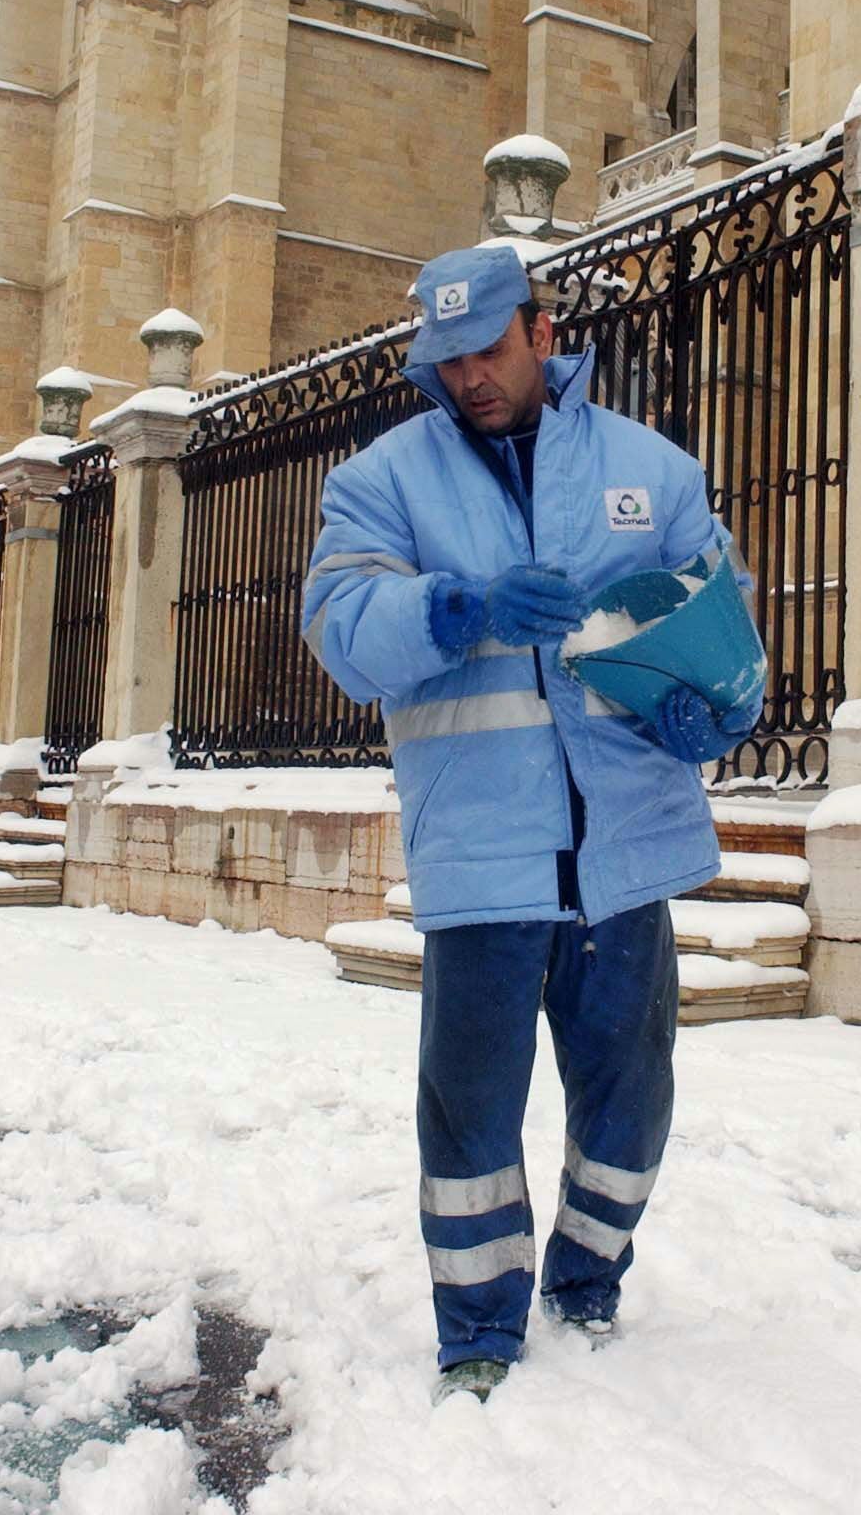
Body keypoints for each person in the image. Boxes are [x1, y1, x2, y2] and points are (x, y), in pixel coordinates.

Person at [302, 243, 763, 1402]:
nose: (467, 378)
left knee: (631, 1090)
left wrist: (714, 701)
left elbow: (721, 611)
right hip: (485, 853)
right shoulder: (382, 480)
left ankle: (588, 1280)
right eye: (445, 358)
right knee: (469, 1107)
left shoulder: (649, 471)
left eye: (487, 350)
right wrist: (456, 608)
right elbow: (344, 629)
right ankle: (477, 1326)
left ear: (541, 330)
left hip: (622, 849)